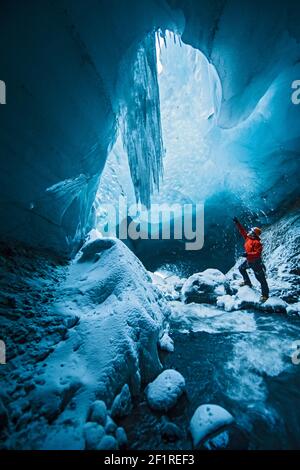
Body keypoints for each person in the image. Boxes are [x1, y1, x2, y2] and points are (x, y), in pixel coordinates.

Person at [233, 217, 269, 302]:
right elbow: (242, 231)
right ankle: (247, 282)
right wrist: (237, 223)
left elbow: (257, 254)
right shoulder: (248, 238)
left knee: (261, 279)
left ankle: (265, 295)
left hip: (256, 263)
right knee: (241, 268)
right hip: (249, 261)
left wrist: (247, 254)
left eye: (251, 231)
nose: (249, 232)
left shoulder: (257, 243)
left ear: (254, 234)